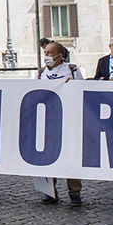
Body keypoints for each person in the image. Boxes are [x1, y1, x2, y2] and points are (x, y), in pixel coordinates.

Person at [38, 41, 84, 206]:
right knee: (46, 157)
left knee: (71, 156)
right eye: (45, 52)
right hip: (48, 120)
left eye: (49, 53)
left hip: (68, 120)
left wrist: (73, 85)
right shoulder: (41, 73)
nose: (46, 56)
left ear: (60, 55)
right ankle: (49, 191)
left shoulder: (72, 69)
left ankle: (75, 193)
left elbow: (82, 90)